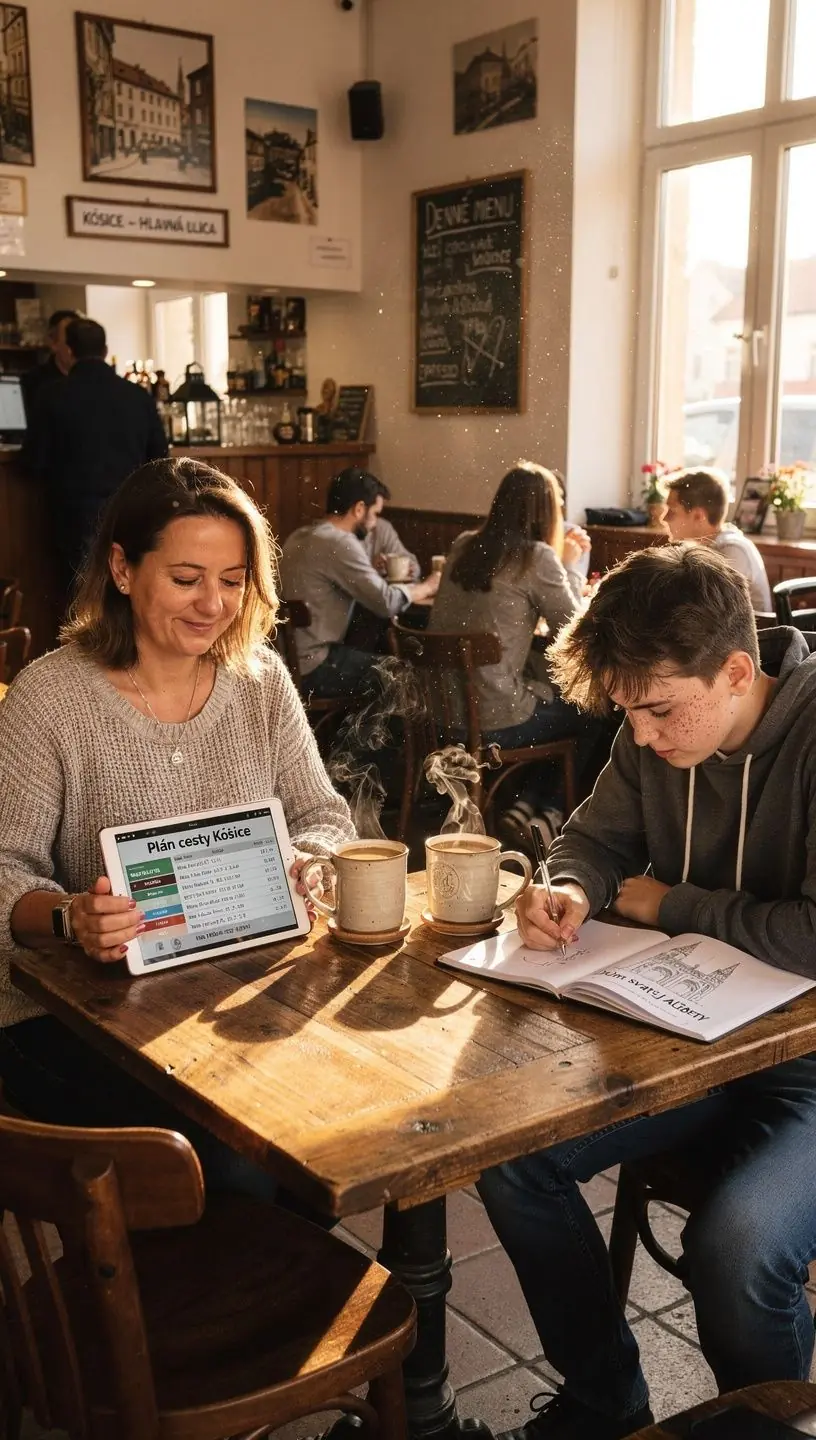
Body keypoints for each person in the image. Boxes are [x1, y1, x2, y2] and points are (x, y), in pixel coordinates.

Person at [477, 543, 816, 1440]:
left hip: (809, 1068)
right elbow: (593, 840)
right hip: (691, 1040)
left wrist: (677, 904)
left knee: (736, 1247)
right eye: (629, 713)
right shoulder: (652, 731)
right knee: (516, 1161)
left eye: (661, 710)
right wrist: (573, 889)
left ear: (739, 671)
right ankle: (605, 1403)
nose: (645, 737)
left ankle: (763, 1430)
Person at [0, 457, 354, 1199]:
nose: (213, 605)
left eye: (232, 581)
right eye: (187, 579)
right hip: (60, 1015)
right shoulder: (49, 699)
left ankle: (273, 1296)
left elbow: (326, 819)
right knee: (238, 1168)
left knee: (333, 1128)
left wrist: (308, 866)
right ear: (123, 570)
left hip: (224, 992)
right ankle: (210, 1300)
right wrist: (71, 917)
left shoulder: (260, 682)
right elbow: (5, 874)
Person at [429, 463, 607, 837]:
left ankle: (526, 804)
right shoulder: (537, 557)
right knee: (594, 710)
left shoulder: (464, 544)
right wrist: (570, 566)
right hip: (494, 722)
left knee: (560, 703)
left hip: (441, 715)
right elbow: (572, 632)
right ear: (546, 512)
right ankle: (551, 810)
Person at [26, 317, 169, 591]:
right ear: (105, 350)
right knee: (126, 591)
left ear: (68, 350)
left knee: (82, 597)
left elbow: (33, 461)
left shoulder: (52, 395)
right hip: (130, 511)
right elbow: (160, 457)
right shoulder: (137, 396)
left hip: (74, 516)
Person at [279, 467, 440, 698]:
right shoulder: (340, 542)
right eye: (375, 514)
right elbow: (386, 603)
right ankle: (369, 736)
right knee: (400, 674)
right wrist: (428, 586)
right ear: (359, 509)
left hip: (289, 661)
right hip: (315, 664)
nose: (375, 524)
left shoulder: (299, 536)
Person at [663, 467, 772, 612]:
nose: (664, 518)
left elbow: (711, 615)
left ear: (698, 516)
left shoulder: (732, 552)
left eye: (672, 510)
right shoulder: (702, 548)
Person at [20, 307, 81, 421]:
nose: (74, 349)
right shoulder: (33, 382)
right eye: (69, 342)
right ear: (53, 343)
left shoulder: (89, 380)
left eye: (78, 341)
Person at [363, 477, 420, 581]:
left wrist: (409, 569)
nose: (376, 520)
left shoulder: (382, 527)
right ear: (359, 509)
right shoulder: (341, 537)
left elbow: (410, 561)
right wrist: (371, 568)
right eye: (375, 513)